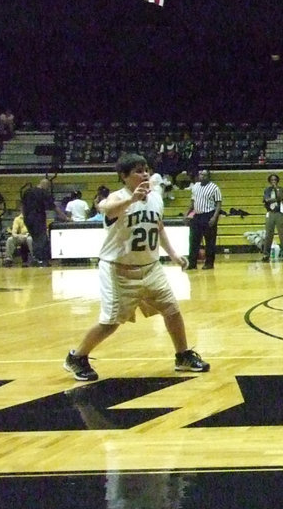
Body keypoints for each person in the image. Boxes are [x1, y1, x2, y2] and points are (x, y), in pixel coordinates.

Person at [63, 154, 209, 382]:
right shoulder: (118, 198)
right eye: (139, 171)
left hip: (150, 267)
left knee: (172, 310)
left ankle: (182, 355)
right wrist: (131, 200)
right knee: (110, 322)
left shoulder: (155, 198)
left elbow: (158, 227)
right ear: (124, 176)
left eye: (147, 170)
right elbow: (105, 208)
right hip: (118, 269)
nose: (145, 174)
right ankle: (77, 357)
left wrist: (173, 254)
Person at [185, 169, 222, 270]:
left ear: (208, 177)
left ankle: (209, 263)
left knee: (210, 241)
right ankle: (192, 263)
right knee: (193, 240)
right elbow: (193, 202)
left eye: (204, 175)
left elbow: (218, 204)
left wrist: (214, 217)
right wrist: (187, 213)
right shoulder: (195, 186)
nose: (202, 176)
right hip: (197, 215)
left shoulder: (214, 188)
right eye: (201, 174)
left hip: (209, 214)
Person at [20, 176, 56, 266]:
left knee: (35, 239)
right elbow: (54, 207)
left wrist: (24, 217)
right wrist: (65, 218)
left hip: (28, 219)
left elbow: (22, 206)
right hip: (38, 218)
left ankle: (36, 259)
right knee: (42, 239)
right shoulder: (44, 193)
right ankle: (41, 260)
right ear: (46, 185)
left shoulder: (27, 191)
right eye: (48, 186)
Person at [261, 174, 283, 262]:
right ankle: (266, 254)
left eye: (275, 180)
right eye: (272, 180)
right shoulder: (267, 190)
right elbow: (266, 200)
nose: (273, 181)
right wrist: (276, 200)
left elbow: (281, 197)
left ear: (277, 181)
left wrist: (276, 190)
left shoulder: (281, 189)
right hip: (270, 212)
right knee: (268, 234)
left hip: (280, 213)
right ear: (269, 181)